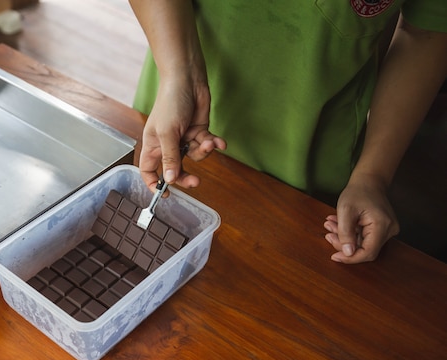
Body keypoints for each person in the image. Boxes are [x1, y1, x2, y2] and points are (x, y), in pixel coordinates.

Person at [128, 0, 447, 264]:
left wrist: (372, 177)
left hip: (311, 169)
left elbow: (427, 31)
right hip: (171, 117)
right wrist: (179, 73)